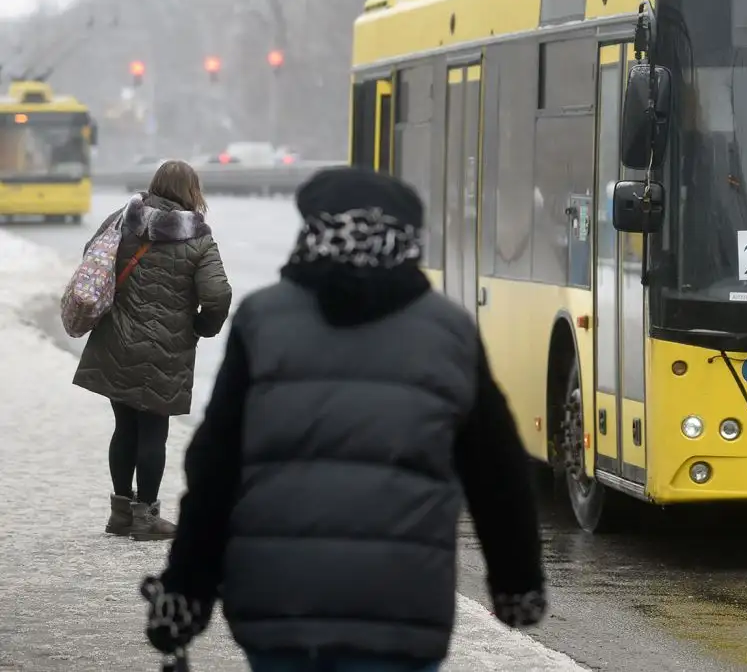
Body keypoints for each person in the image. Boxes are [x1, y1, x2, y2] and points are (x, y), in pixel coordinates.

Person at [139, 167, 546, 672]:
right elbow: (498, 472)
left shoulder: (264, 320)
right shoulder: (449, 331)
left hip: (279, 604)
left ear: (311, 227)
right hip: (402, 604)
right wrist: (516, 582)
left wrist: (186, 592)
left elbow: (215, 469)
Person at [74, 159, 231, 541]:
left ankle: (120, 512)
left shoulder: (122, 220)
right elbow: (218, 295)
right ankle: (146, 518)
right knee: (153, 433)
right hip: (167, 349)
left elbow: (91, 260)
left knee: (124, 426)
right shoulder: (198, 237)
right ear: (192, 191)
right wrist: (202, 328)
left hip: (116, 340)